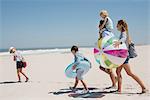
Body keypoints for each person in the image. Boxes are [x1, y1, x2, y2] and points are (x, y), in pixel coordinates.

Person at [114, 20, 148, 93]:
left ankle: (143, 87)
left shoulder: (124, 33)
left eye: (117, 25)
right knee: (118, 72)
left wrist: (119, 42)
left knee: (129, 73)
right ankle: (119, 89)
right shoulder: (123, 32)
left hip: (123, 56)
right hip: (122, 55)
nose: (116, 26)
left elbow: (123, 39)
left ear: (121, 25)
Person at [98, 10, 117, 89]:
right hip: (106, 53)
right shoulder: (103, 33)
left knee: (109, 69)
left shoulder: (106, 33)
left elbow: (106, 42)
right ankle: (114, 80)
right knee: (103, 67)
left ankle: (114, 83)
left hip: (108, 53)